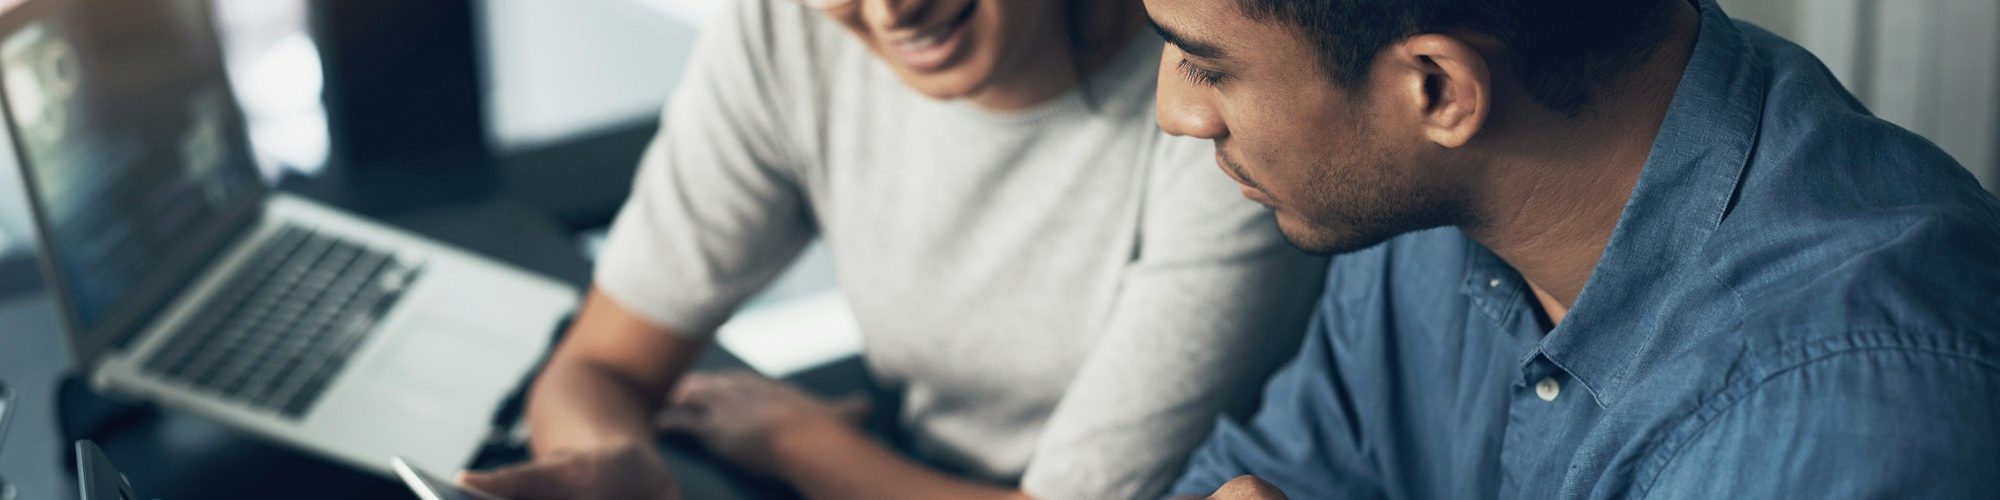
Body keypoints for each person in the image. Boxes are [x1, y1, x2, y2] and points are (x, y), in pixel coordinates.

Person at [459, 0, 1326, 498]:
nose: (888, 11)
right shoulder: (788, 29)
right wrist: (617, 463)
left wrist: (798, 445)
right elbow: (596, 367)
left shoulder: (1210, 112)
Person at [1144, 0, 2000, 498]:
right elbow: (1257, 476)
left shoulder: (1842, 419)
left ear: (1437, 90)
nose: (1174, 112)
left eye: (1207, 66)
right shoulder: (1421, 203)